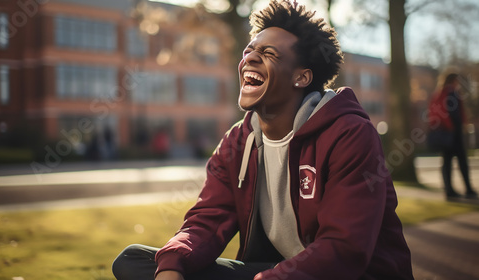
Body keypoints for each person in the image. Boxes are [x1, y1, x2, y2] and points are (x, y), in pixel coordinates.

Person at [112, 1, 414, 279]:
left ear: (302, 77)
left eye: (269, 54)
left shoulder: (349, 134)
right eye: (249, 50)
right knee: (136, 261)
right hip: (274, 273)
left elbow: (344, 248)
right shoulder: (237, 141)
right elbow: (207, 219)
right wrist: (173, 265)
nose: (250, 58)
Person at [428, 73, 477, 199]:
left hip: (444, 132)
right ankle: (468, 189)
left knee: (447, 161)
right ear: (454, 80)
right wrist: (459, 127)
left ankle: (449, 190)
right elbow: (455, 113)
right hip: (453, 132)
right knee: (462, 161)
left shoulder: (440, 93)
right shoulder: (452, 92)